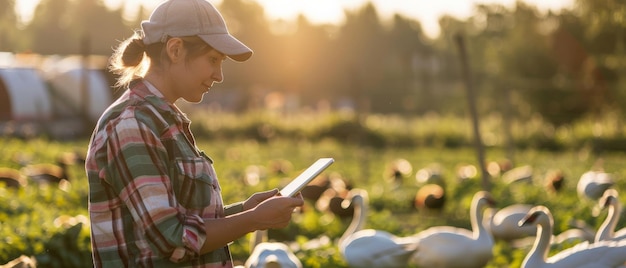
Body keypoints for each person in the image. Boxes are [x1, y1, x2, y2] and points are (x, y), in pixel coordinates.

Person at [84, 0, 304, 267]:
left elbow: (183, 220)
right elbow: (173, 240)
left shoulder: (163, 121)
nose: (219, 75)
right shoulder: (132, 124)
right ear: (175, 49)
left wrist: (245, 210)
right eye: (213, 60)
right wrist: (254, 219)